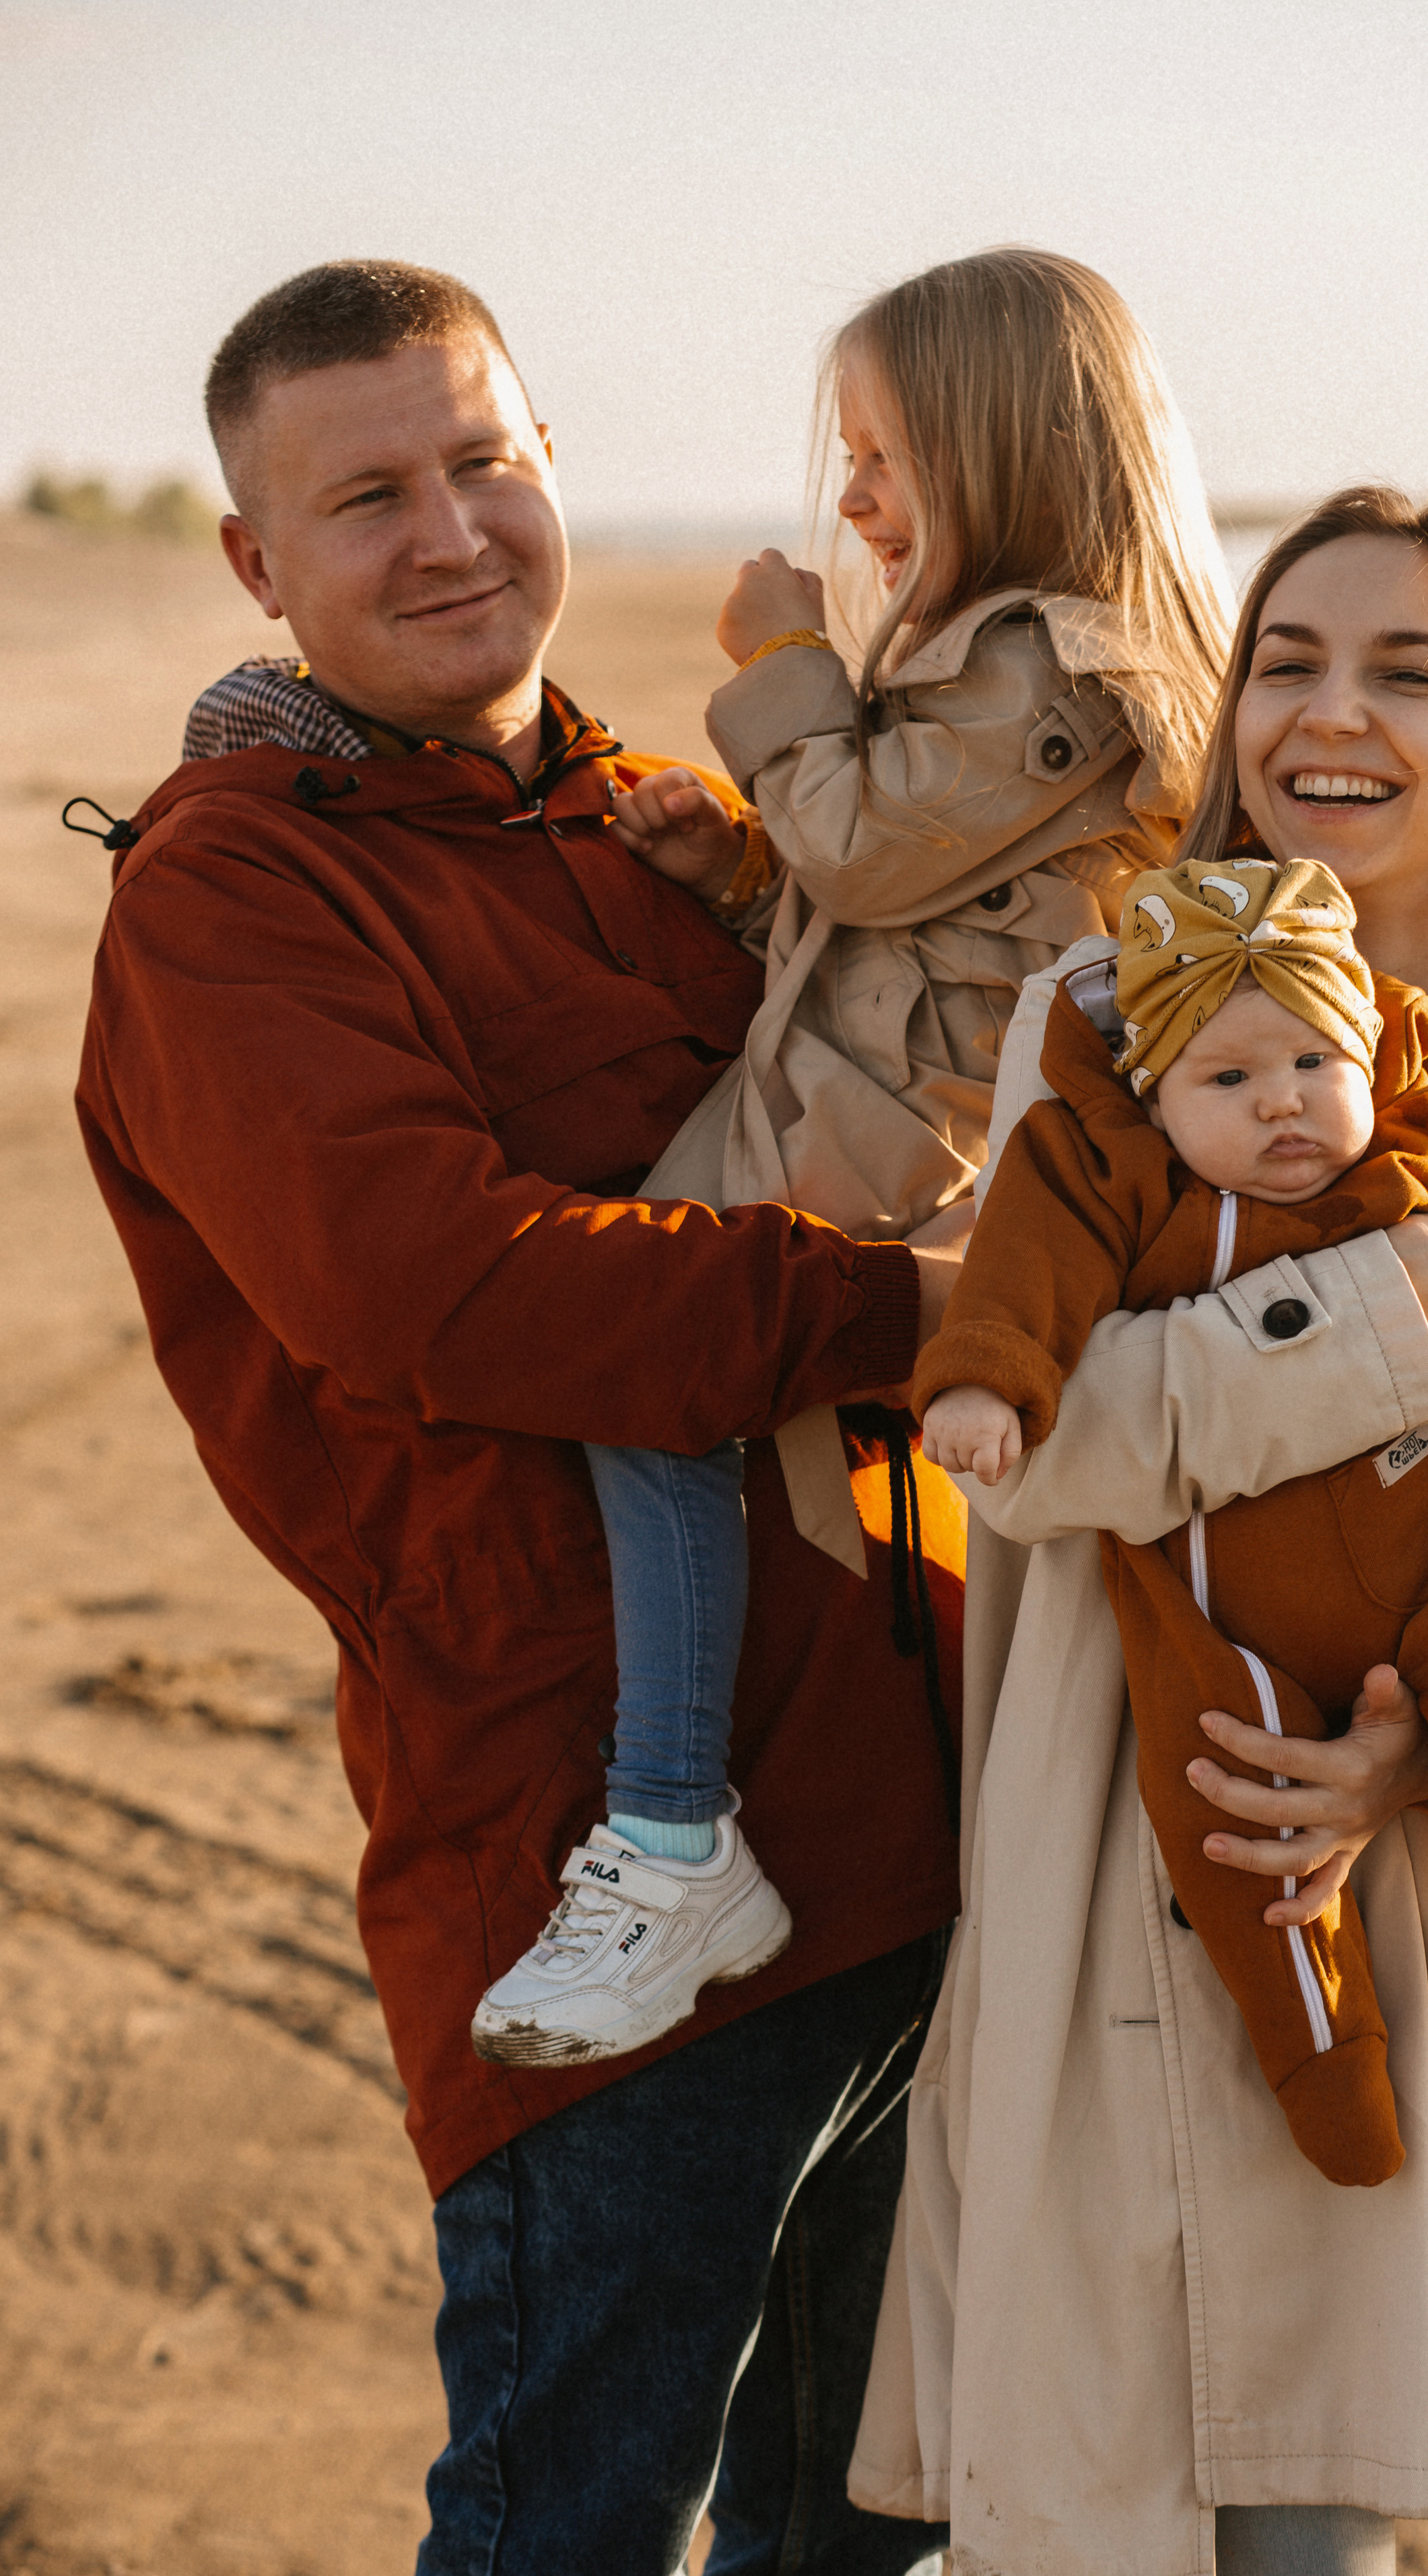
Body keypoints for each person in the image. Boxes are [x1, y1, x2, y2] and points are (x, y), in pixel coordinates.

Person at [76, 255, 979, 2576]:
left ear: (552, 459)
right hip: (595, 1873)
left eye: (481, 460)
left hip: (924, 1817)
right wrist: (926, 1315)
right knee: (566, 2529)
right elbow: (445, 1291)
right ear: (258, 563)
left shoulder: (654, 824)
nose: (450, 530)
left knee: (862, 2532)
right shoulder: (230, 897)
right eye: (368, 496)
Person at [850, 489, 1428, 2575]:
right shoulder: (1102, 1017)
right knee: (1280, 2504)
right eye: (1289, 662)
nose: (1329, 715)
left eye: (1410, 673)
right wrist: (1408, 1308)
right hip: (1208, 1864)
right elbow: (1031, 1445)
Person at [468, 247, 1237, 2070]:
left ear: (1008, 450)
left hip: (896, 1128)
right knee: (659, 1382)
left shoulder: (1066, 664)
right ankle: (717, 1822)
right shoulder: (996, 658)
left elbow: (874, 854)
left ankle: (673, 1832)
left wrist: (788, 664)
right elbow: (886, 903)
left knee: (640, 1360)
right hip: (858, 1092)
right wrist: (739, 871)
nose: (860, 498)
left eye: (889, 457)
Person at [914, 850, 1428, 2188]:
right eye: (1228, 1080)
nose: (1284, 1103)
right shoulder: (1109, 1166)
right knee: (1225, 1819)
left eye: (1314, 1063)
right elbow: (1020, 1268)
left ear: (1364, 1053)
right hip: (1219, 1608)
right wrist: (981, 1380)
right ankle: (1319, 2058)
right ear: (1155, 1094)